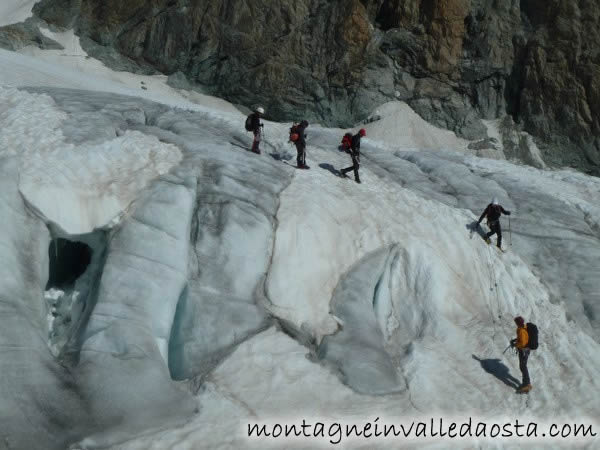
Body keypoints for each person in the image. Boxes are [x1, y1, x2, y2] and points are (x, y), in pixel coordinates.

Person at [510, 316, 532, 393]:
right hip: (526, 350)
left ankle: (527, 384)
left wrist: (516, 345)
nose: (515, 323)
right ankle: (525, 383)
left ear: (518, 323)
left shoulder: (521, 330)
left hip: (524, 351)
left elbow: (522, 343)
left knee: (523, 366)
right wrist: (515, 340)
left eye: (516, 322)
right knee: (523, 366)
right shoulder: (524, 328)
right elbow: (524, 338)